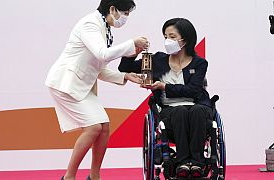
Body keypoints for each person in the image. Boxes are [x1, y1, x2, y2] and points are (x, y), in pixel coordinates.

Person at [45, 0, 149, 179]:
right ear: (112, 9)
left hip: (82, 86)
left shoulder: (105, 28)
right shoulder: (90, 24)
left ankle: (94, 176)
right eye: (125, 13)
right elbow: (103, 54)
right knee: (93, 128)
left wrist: (125, 76)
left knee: (104, 127)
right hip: (66, 83)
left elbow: (98, 69)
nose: (126, 18)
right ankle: (69, 177)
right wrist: (132, 44)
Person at [118, 18, 212, 178]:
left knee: (197, 111)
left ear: (185, 39)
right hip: (169, 111)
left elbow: (194, 91)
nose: (168, 41)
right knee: (180, 111)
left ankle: (197, 163)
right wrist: (134, 53)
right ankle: (182, 162)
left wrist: (164, 87)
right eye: (165, 36)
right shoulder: (157, 60)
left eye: (172, 37)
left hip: (198, 108)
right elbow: (124, 68)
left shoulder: (199, 63)